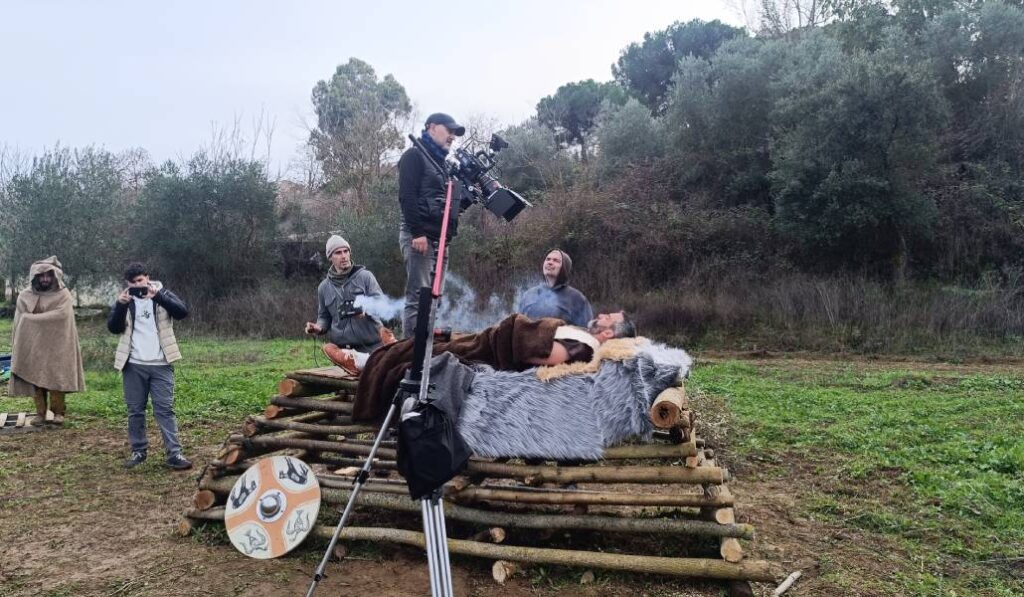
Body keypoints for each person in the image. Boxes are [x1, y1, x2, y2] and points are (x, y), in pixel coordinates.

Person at [352, 311, 637, 422]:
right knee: (430, 341)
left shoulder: (585, 345)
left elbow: (535, 354)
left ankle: (364, 361)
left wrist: (513, 329)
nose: (601, 315)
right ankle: (380, 351)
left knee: (430, 351)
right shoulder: (584, 340)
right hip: (487, 345)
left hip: (487, 358)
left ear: (610, 333)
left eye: (608, 317)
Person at [107, 262, 191, 470]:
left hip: (161, 363)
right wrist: (120, 305)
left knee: (165, 409)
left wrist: (158, 296)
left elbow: (182, 313)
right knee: (135, 411)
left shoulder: (163, 293)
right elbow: (114, 328)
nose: (138, 286)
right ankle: (138, 451)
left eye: (140, 281)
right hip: (133, 364)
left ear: (147, 277)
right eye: (132, 283)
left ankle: (174, 454)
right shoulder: (126, 300)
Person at [397, 112, 466, 338]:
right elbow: (407, 196)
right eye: (449, 131)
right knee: (419, 295)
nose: (452, 137)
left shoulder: (442, 165)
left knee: (436, 296)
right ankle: (409, 355)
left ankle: (427, 349)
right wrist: (417, 232)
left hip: (441, 239)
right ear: (432, 127)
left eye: (454, 134)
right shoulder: (413, 156)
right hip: (419, 237)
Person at [10, 256, 85, 426]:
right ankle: (40, 413)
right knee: (35, 376)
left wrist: (32, 319)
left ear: (54, 277)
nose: (45, 279)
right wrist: (29, 321)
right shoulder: (25, 295)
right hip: (34, 344)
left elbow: (62, 315)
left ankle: (58, 412)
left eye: (49, 275)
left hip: (58, 343)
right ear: (35, 277)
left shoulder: (63, 294)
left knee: (57, 376)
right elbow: (21, 321)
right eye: (41, 276)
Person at [304, 235, 394, 374]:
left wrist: (366, 310)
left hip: (373, 348)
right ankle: (351, 362)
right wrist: (318, 327)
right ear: (330, 257)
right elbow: (324, 317)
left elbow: (381, 304)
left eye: (346, 251)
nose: (344, 256)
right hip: (343, 353)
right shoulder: (323, 287)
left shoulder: (365, 277)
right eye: (338, 253)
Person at [518, 249, 594, 327]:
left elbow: (587, 331)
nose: (550, 262)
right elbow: (518, 327)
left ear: (564, 268)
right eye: (548, 259)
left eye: (556, 260)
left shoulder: (576, 298)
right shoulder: (529, 295)